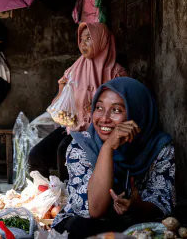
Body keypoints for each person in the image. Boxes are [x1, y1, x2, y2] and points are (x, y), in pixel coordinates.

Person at [52, 77, 175, 238]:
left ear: (138, 112)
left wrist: (138, 206)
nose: (104, 118)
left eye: (116, 110)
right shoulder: (81, 146)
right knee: (86, 227)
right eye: (99, 107)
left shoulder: (158, 147)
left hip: (135, 222)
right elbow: (94, 210)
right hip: (86, 223)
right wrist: (107, 148)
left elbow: (163, 202)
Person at [28, 22, 127, 181]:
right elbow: (59, 105)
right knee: (36, 156)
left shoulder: (116, 73)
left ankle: (71, 198)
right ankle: (50, 197)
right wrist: (62, 90)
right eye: (81, 39)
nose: (83, 43)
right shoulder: (73, 70)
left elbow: (124, 109)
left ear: (101, 41)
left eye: (89, 38)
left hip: (100, 131)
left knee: (64, 151)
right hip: (73, 128)